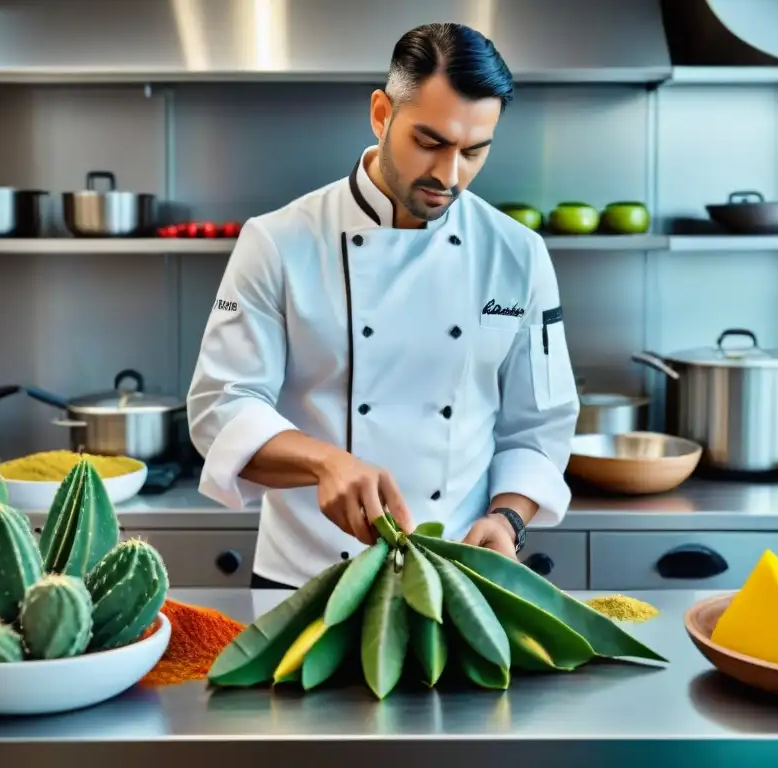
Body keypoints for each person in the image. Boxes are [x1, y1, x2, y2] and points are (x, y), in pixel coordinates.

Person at [187, 22, 579, 589]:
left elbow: (539, 428)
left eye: (474, 151)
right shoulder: (278, 241)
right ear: (380, 114)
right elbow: (220, 409)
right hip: (305, 580)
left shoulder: (518, 255)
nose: (449, 176)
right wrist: (325, 462)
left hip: (454, 579)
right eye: (430, 142)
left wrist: (508, 517)